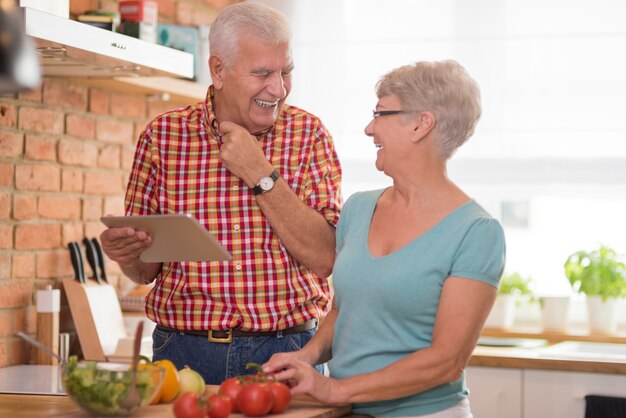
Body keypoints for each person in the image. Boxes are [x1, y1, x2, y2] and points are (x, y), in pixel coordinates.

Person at [99, 2, 342, 384]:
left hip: (288, 351)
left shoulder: (309, 135)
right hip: (182, 354)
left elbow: (326, 257)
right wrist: (126, 255)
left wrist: (260, 172)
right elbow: (144, 271)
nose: (278, 88)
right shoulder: (163, 137)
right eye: (262, 73)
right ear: (218, 70)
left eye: (286, 71)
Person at [263, 60, 506, 417]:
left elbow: (445, 361)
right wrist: (306, 356)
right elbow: (344, 312)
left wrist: (335, 388)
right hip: (347, 412)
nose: (368, 128)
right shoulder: (359, 209)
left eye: (380, 113)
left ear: (421, 124)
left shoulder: (476, 232)